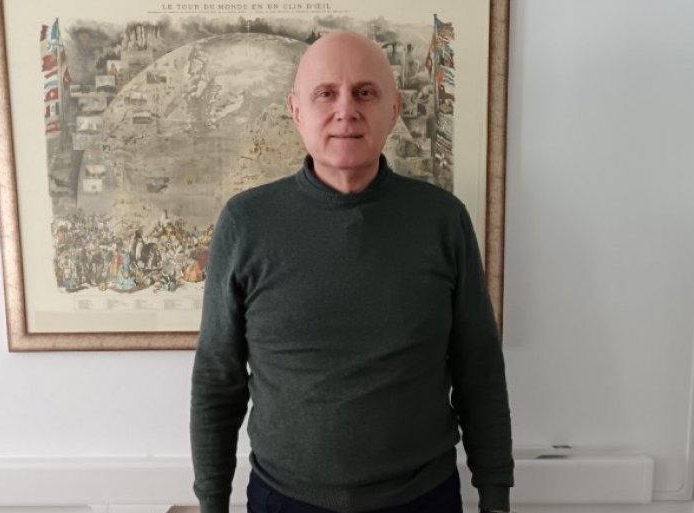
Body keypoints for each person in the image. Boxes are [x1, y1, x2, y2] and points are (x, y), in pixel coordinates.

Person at [191, 32, 513, 513]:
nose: (346, 110)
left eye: (365, 92)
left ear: (394, 109)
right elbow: (218, 379)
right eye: (326, 94)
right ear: (296, 110)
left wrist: (496, 497)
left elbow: (479, 370)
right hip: (285, 500)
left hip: (423, 499)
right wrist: (211, 502)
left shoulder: (443, 221)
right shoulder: (245, 223)